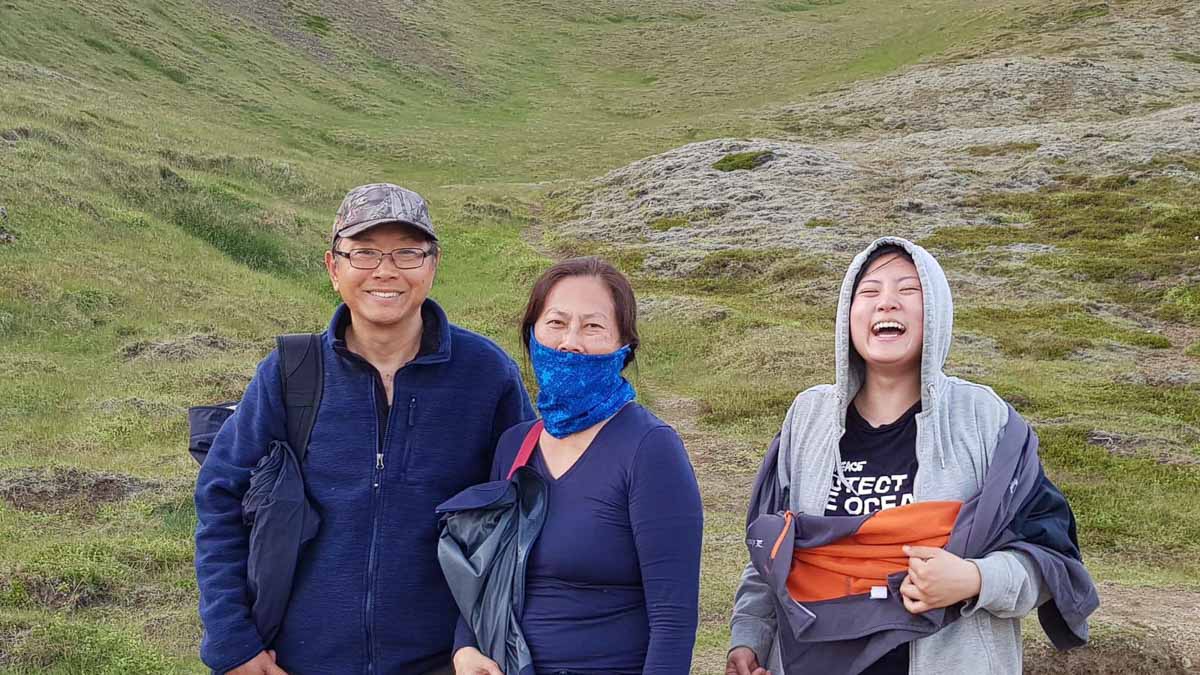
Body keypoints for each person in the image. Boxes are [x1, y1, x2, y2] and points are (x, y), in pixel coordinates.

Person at [195, 183, 534, 675]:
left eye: (407, 252)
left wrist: (472, 641)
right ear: (334, 268)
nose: (386, 270)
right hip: (298, 661)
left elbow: (518, 515)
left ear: (433, 265)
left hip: (447, 662)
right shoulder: (290, 372)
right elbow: (221, 498)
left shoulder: (486, 374)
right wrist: (233, 643)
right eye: (365, 252)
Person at [728, 237, 1074, 675]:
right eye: (869, 292)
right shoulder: (806, 418)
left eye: (908, 291)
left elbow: (1049, 558)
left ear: (938, 312)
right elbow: (773, 551)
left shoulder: (986, 419)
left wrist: (975, 580)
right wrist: (750, 636)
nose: (886, 303)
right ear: (847, 316)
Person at [451, 257, 704, 675]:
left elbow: (673, 621)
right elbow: (486, 574)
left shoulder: (651, 449)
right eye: (556, 322)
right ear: (531, 334)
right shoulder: (515, 445)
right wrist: (465, 649)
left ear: (624, 347)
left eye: (593, 326)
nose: (571, 342)